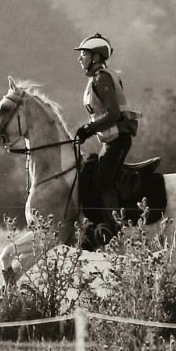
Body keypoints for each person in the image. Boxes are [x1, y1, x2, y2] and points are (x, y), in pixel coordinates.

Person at [74, 33, 140, 236]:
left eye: (83, 54)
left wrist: (88, 129)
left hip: (118, 139)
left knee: (103, 182)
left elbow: (113, 114)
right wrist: (88, 131)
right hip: (110, 140)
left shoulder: (102, 78)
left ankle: (115, 229)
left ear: (96, 57)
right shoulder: (96, 78)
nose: (80, 58)